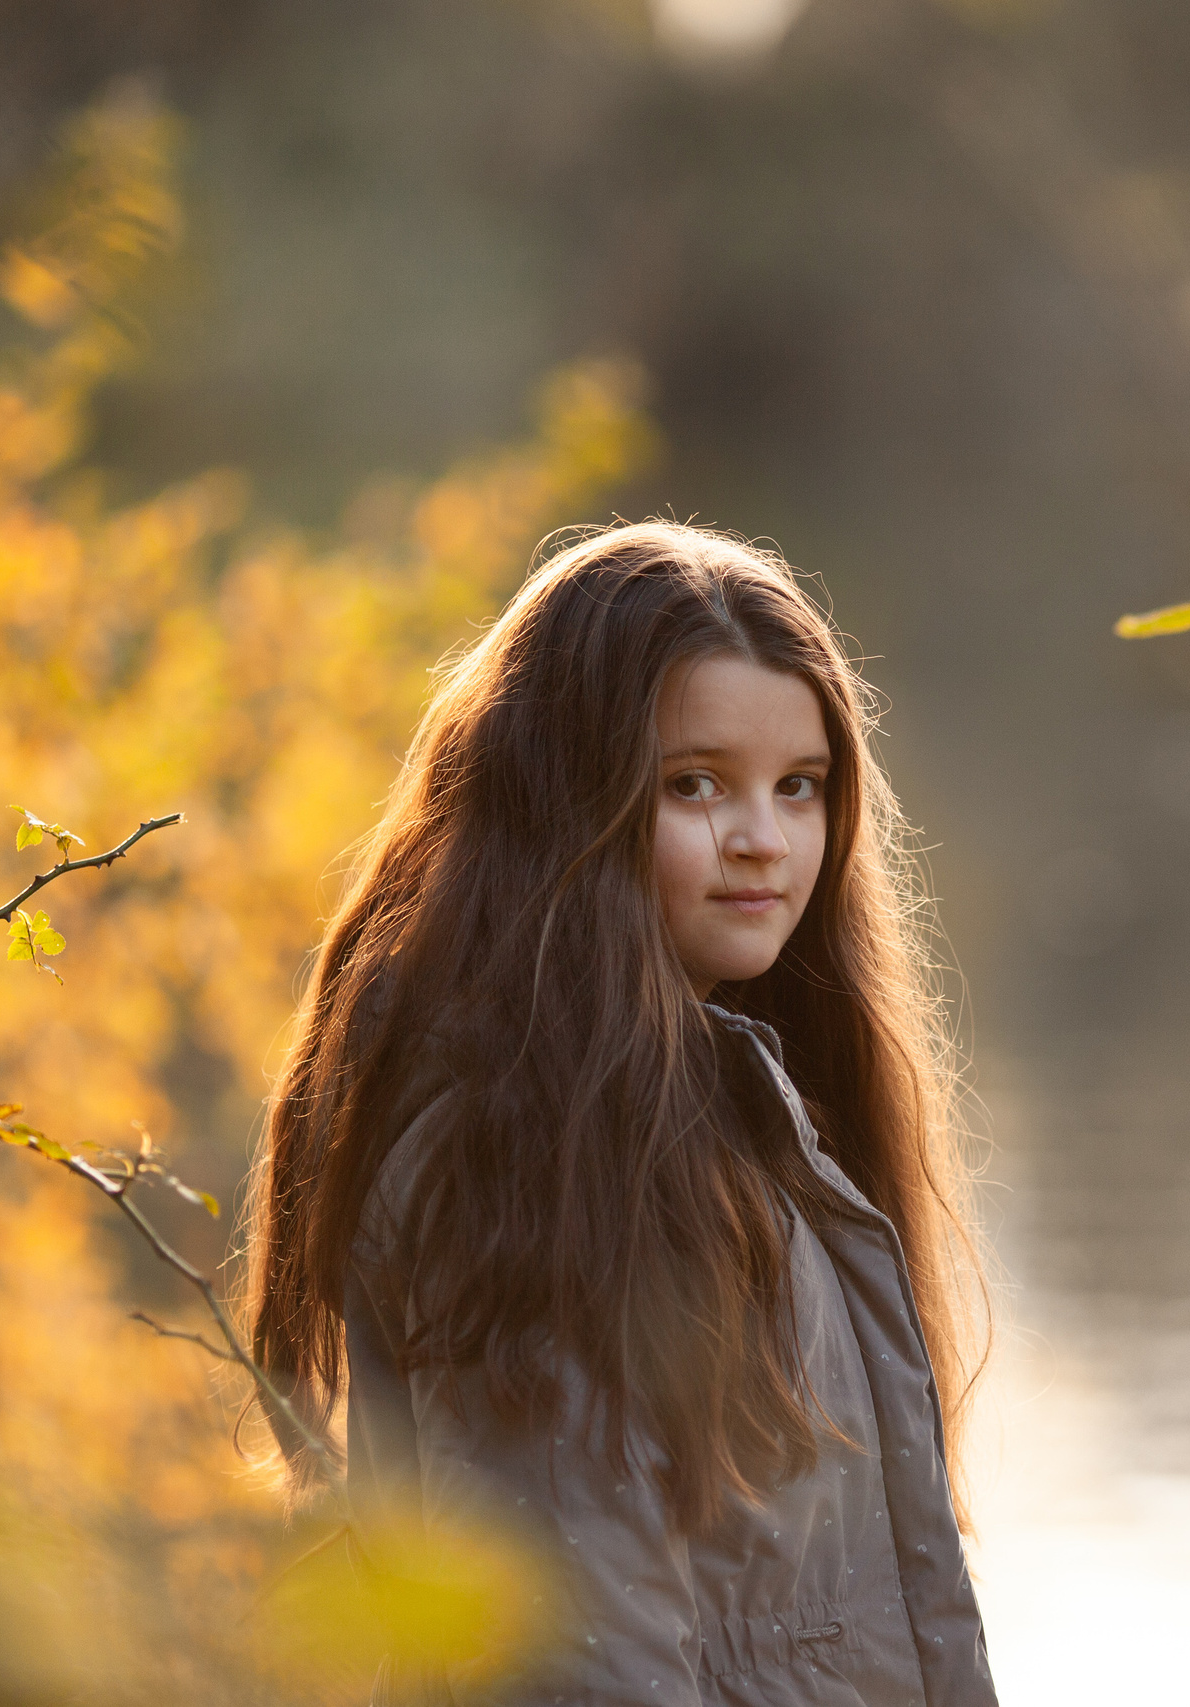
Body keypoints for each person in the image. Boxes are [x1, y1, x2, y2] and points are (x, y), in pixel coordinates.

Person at [244, 522, 996, 1706]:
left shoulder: (737, 1110)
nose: (764, 840)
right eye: (694, 784)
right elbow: (573, 1656)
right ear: (564, 801)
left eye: (798, 787)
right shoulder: (523, 1149)